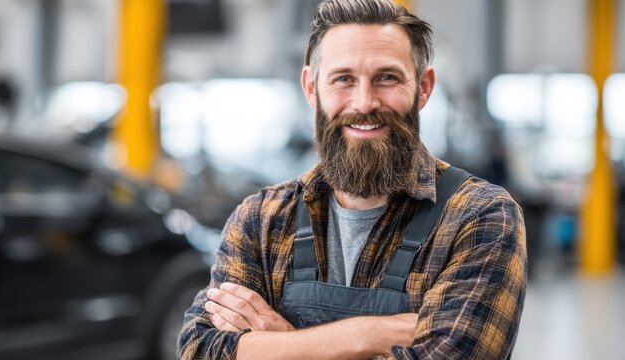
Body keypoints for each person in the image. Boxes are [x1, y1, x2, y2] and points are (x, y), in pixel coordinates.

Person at [178, 0, 527, 359]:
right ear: (311, 89)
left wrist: (278, 343)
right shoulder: (260, 221)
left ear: (423, 87)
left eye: (387, 78)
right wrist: (367, 334)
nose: (364, 102)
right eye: (344, 79)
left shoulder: (479, 217)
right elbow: (200, 349)